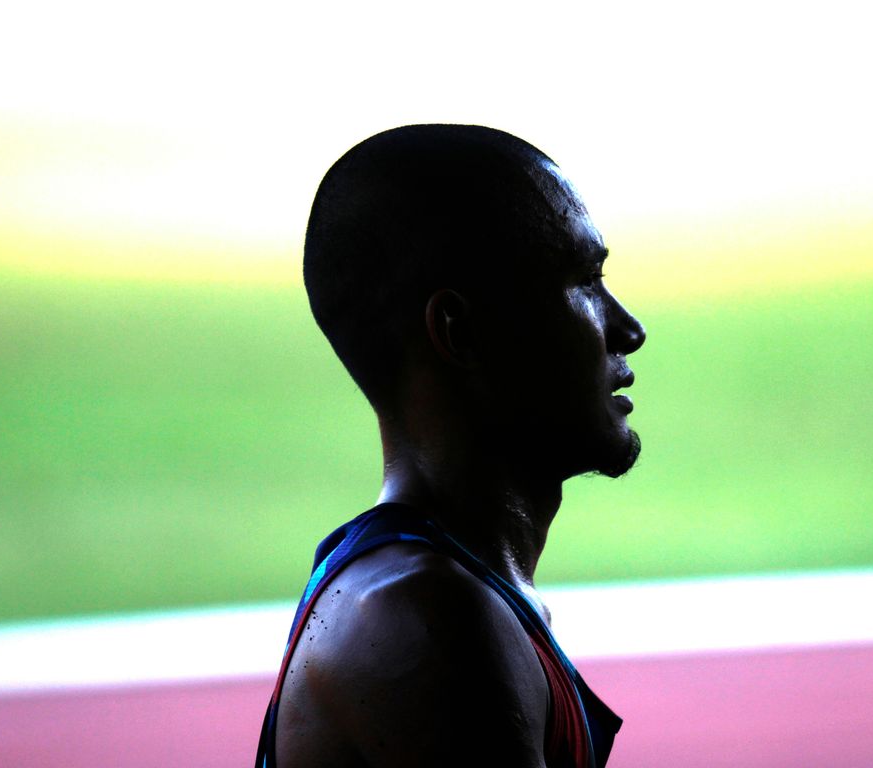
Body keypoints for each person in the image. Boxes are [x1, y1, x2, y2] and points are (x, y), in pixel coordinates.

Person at [255, 124, 646, 768]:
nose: (627, 329)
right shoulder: (426, 620)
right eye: (582, 281)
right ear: (459, 330)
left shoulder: (448, 589)